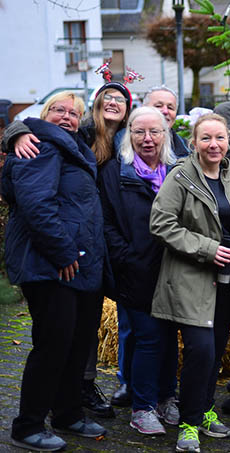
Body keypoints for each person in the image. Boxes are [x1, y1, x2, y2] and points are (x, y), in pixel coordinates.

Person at [3, 80, 134, 420]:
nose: (66, 117)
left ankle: (68, 414)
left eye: (73, 113)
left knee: (73, 345)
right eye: (58, 110)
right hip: (51, 264)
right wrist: (63, 253)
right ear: (45, 115)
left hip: (78, 265)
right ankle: (28, 425)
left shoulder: (73, 147)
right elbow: (36, 205)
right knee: (52, 347)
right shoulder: (40, 147)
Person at [149, 113, 230, 453]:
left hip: (228, 281)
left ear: (229, 142)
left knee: (215, 354)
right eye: (206, 138)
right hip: (191, 278)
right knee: (201, 351)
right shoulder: (181, 177)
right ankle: (189, 424)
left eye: (220, 138)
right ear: (193, 142)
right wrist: (210, 250)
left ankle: (205, 407)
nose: (214, 145)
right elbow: (161, 223)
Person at [98, 106, 180, 436]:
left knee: (170, 339)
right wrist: (128, 258)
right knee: (147, 339)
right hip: (135, 271)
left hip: (175, 270)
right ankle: (143, 407)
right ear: (128, 135)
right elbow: (106, 223)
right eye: (139, 132)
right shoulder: (116, 173)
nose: (147, 139)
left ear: (166, 134)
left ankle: (167, 398)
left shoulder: (178, 171)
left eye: (155, 132)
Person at [143, 85, 191, 158]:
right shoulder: (124, 144)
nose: (165, 111)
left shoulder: (188, 148)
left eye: (170, 107)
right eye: (158, 106)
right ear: (143, 109)